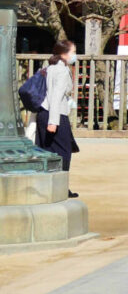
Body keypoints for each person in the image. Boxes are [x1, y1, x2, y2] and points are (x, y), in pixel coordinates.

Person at [36, 39, 80, 196]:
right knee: (63, 151)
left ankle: (46, 188)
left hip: (43, 112)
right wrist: (53, 122)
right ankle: (60, 188)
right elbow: (56, 96)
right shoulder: (61, 70)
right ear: (64, 54)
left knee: (45, 150)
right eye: (73, 52)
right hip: (55, 114)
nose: (75, 55)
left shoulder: (48, 68)